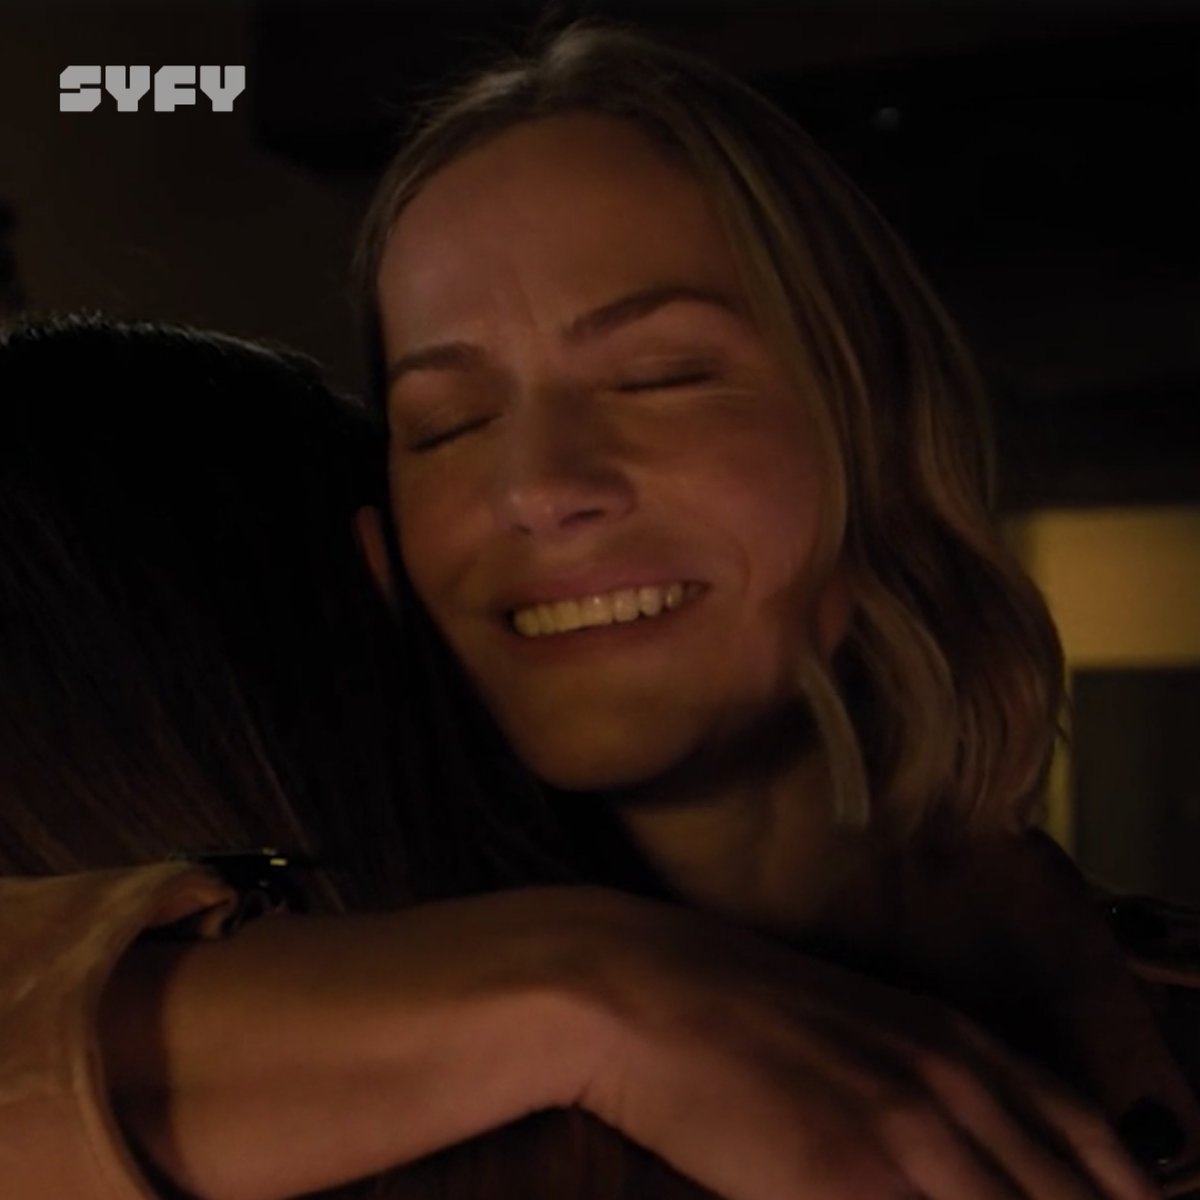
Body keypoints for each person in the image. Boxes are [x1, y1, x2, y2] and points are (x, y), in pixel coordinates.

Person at [3, 22, 1199, 1200]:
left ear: (874, 435)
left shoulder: (1132, 996)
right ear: (386, 555)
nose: (538, 487)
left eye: (660, 376)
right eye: (448, 425)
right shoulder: (390, 1069)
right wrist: (590, 991)